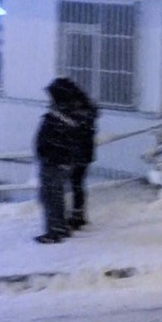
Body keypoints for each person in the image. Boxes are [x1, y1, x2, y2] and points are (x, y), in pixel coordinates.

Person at [33, 78, 78, 244]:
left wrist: (47, 153)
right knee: (55, 195)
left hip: (54, 162)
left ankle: (55, 230)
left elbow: (55, 139)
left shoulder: (60, 116)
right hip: (59, 161)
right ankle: (59, 227)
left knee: (51, 196)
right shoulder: (68, 114)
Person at [66, 83, 98, 230]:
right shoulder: (88, 113)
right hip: (85, 153)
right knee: (77, 184)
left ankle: (77, 215)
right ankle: (78, 213)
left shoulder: (80, 115)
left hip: (79, 153)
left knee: (76, 183)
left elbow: (78, 133)